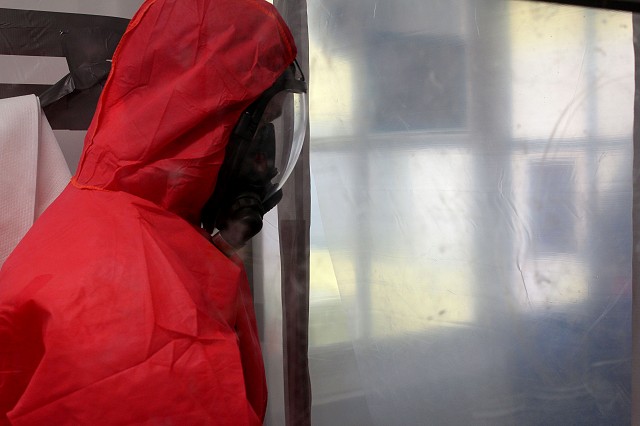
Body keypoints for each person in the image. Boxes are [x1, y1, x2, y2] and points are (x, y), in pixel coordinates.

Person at [0, 0, 298, 423]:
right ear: (207, 123)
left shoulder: (100, 210)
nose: (265, 162)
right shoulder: (144, 305)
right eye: (259, 128)